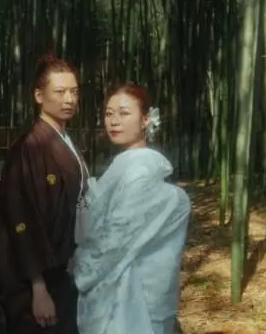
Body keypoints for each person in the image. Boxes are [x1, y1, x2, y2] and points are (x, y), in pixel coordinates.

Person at [72, 82, 191, 334]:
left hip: (128, 296)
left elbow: (116, 239)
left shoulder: (140, 171)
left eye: (124, 113)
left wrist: (80, 266)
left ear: (146, 120)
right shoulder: (124, 165)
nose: (114, 121)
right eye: (108, 113)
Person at [0, 53, 90, 334]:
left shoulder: (64, 139)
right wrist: (38, 288)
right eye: (59, 92)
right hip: (38, 279)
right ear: (39, 95)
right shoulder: (29, 147)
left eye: (74, 91)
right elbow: (21, 221)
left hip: (64, 270)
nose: (69, 99)